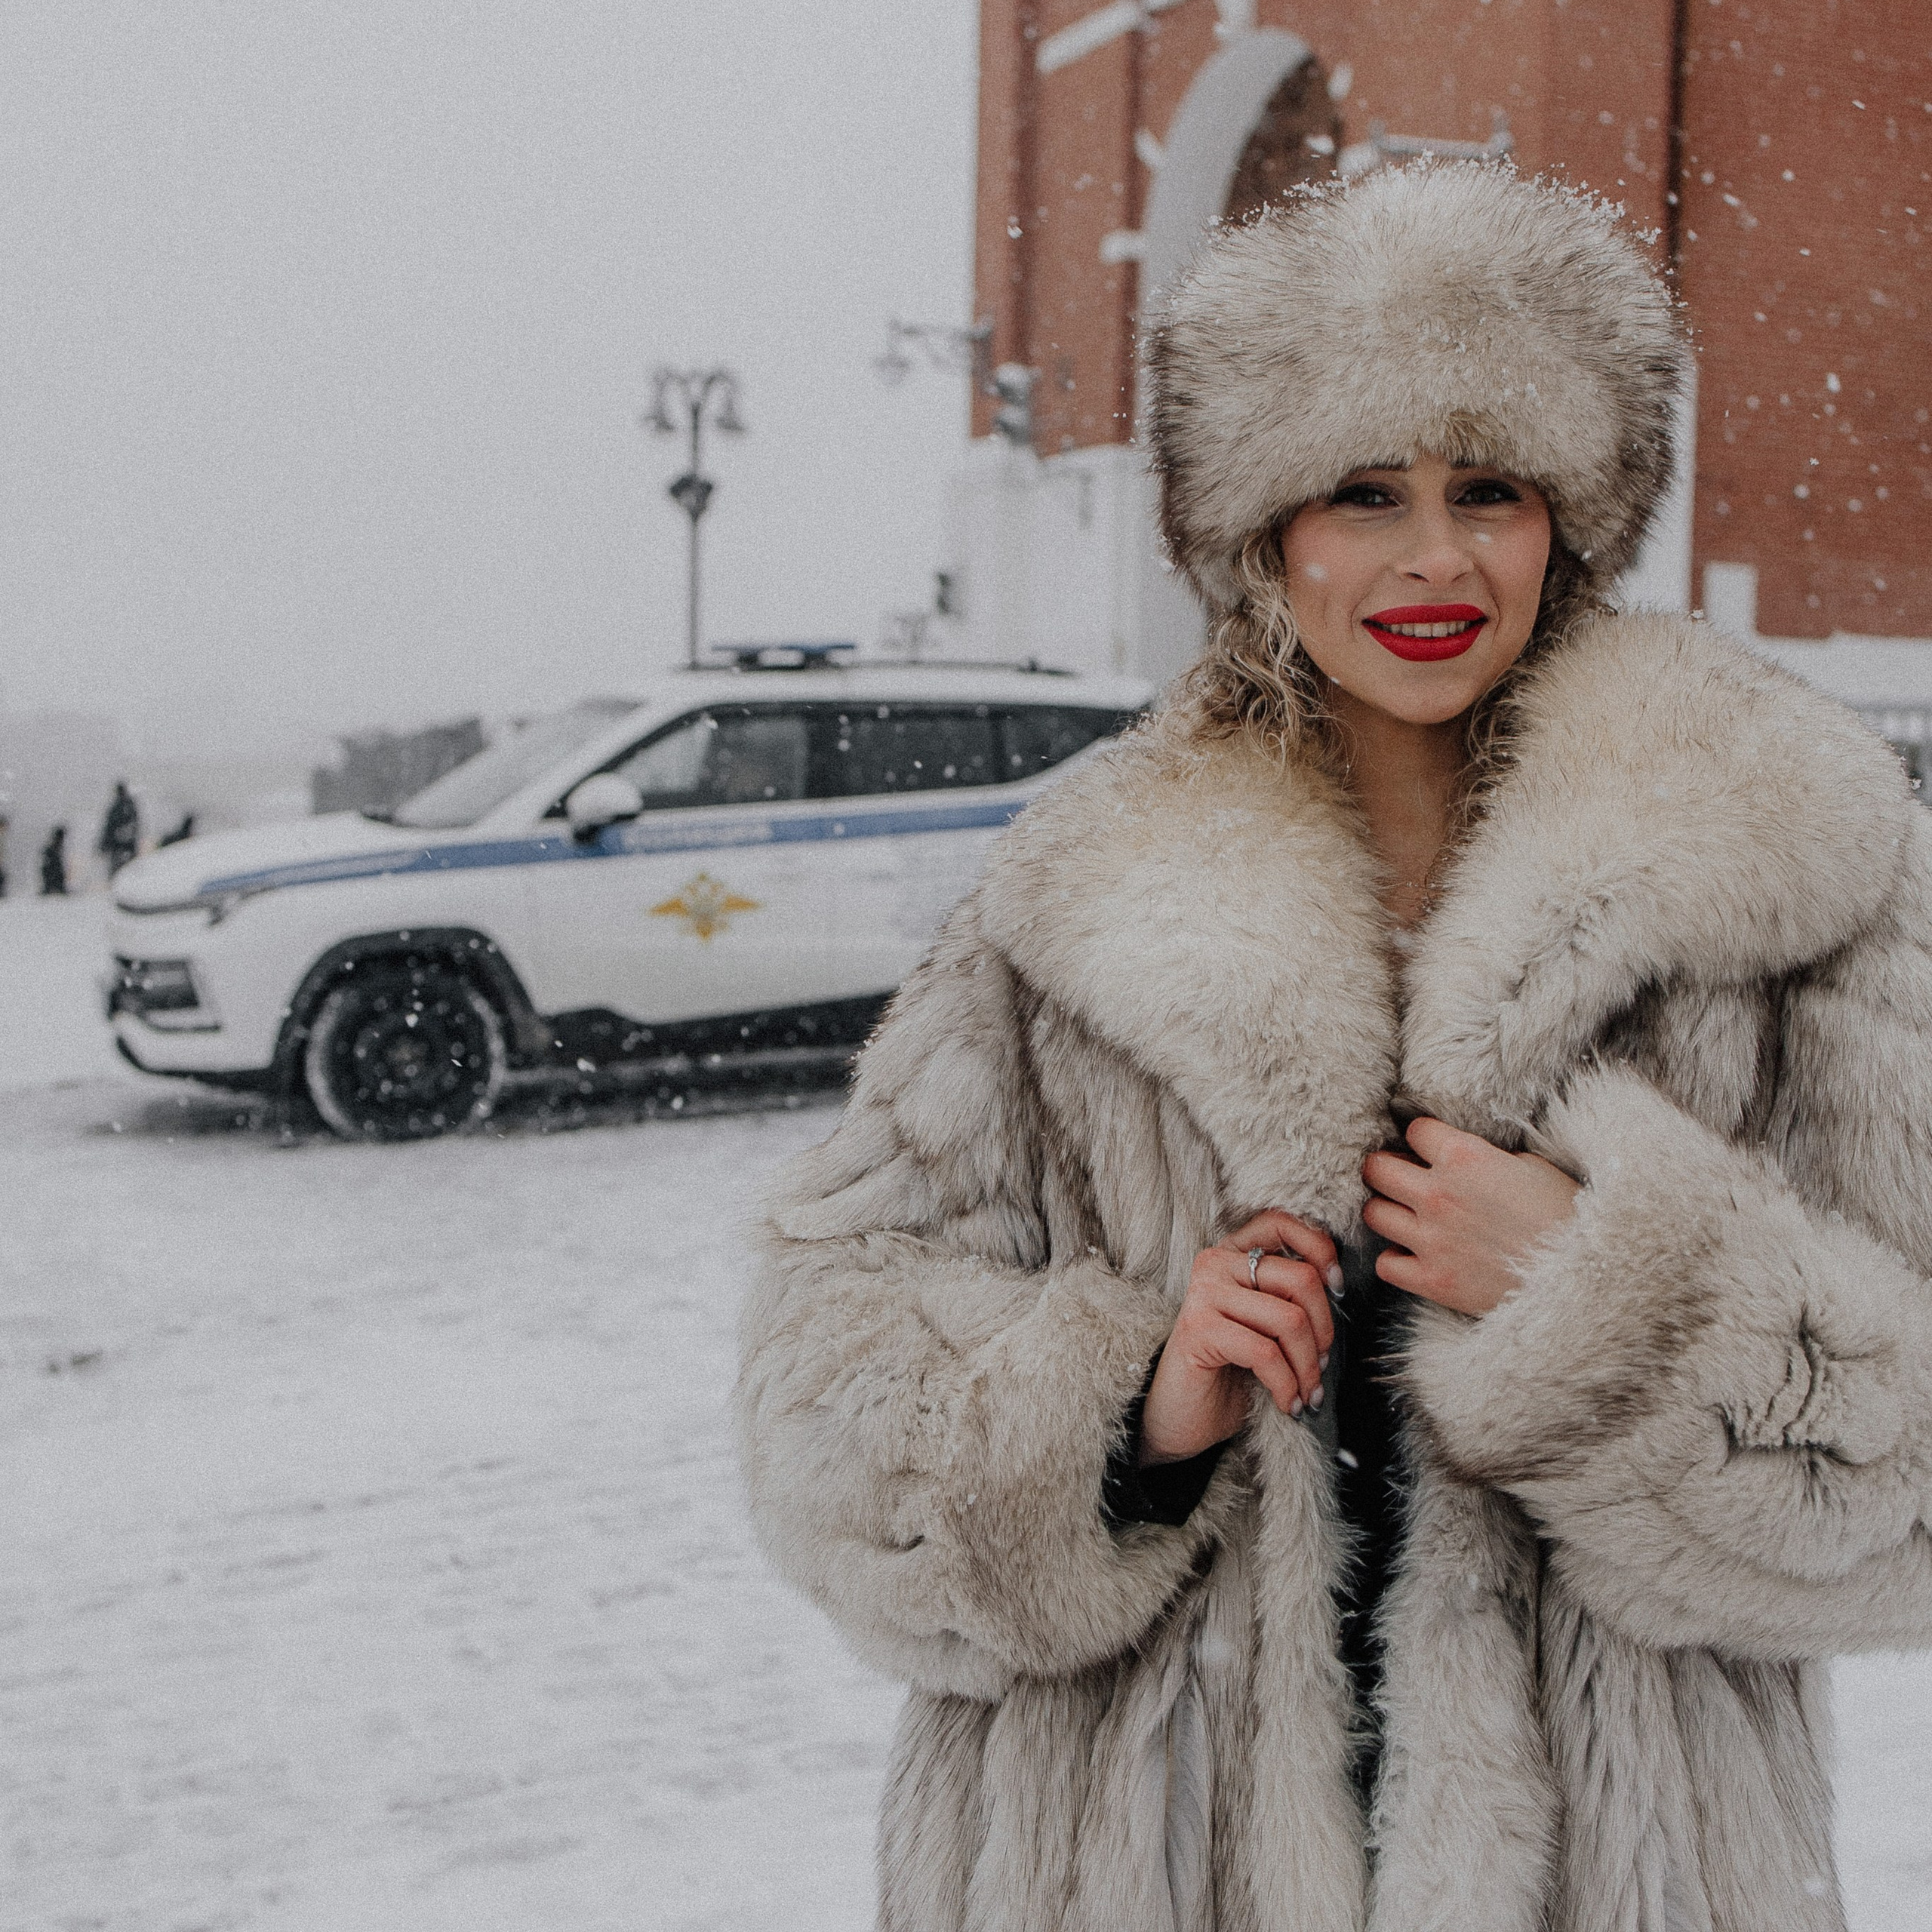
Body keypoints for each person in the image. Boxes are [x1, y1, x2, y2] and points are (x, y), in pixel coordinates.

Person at [736, 165, 1932, 1930]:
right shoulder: (1075, 893)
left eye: (1485, 488)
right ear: (1263, 528)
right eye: (1364, 490)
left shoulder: (1780, 874)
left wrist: (1614, 1302)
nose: (1431, 555)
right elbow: (819, 1401)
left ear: (1565, 520)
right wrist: (1128, 1414)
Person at [98, 780, 139, 876]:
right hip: (128, 846)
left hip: (118, 847)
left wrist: (104, 845)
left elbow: (109, 828)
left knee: (118, 872)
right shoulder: (130, 807)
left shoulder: (117, 808)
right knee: (129, 870)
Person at [38, 824, 67, 896]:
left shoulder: (55, 846)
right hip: (52, 870)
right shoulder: (54, 846)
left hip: (51, 870)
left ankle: (53, 887)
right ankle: (53, 888)